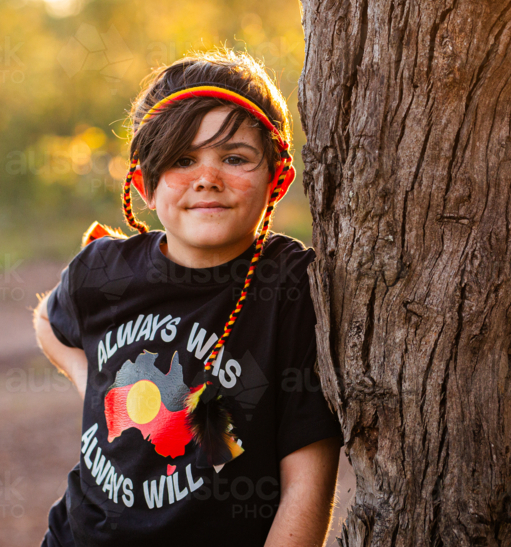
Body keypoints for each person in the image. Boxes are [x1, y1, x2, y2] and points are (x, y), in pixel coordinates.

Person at [34, 49, 343, 546]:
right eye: (183, 159)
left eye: (234, 158)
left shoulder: (292, 288)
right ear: (144, 185)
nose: (207, 177)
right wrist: (89, 381)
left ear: (278, 178)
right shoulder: (104, 268)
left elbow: (307, 480)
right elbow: (48, 321)